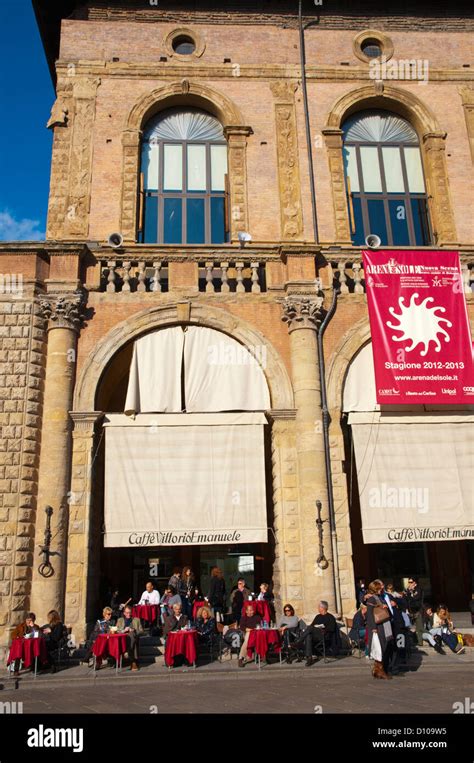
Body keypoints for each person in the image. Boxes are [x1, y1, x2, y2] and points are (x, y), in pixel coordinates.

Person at [291, 601, 337, 667]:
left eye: (319, 607)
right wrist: (316, 627)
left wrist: (322, 627)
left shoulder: (330, 617)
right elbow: (312, 625)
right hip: (316, 636)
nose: (318, 608)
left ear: (322, 608)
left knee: (310, 628)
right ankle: (309, 658)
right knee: (308, 635)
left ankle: (298, 641)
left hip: (324, 636)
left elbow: (332, 629)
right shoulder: (318, 616)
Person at [366, 579, 394, 679]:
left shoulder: (379, 597)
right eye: (379, 587)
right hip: (378, 627)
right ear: (375, 588)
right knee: (380, 648)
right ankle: (380, 670)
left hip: (384, 625)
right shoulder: (372, 599)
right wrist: (373, 628)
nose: (381, 588)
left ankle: (378, 670)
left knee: (385, 647)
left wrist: (384, 606)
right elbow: (369, 614)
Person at [116, 604, 143, 670]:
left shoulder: (137, 620)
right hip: (123, 638)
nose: (128, 614)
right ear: (124, 613)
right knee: (130, 637)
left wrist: (134, 630)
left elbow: (142, 631)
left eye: (130, 612)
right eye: (127, 613)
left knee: (131, 635)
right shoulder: (120, 620)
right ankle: (133, 661)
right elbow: (116, 630)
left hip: (133, 637)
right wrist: (123, 630)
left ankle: (128, 652)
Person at [404, 576, 424, 647]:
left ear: (415, 582)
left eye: (411, 582)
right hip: (410, 611)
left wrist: (410, 593)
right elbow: (406, 599)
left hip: (417, 610)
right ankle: (413, 642)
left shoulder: (418, 589)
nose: (409, 583)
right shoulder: (408, 590)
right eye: (409, 582)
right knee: (410, 627)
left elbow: (415, 598)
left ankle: (420, 642)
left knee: (419, 627)